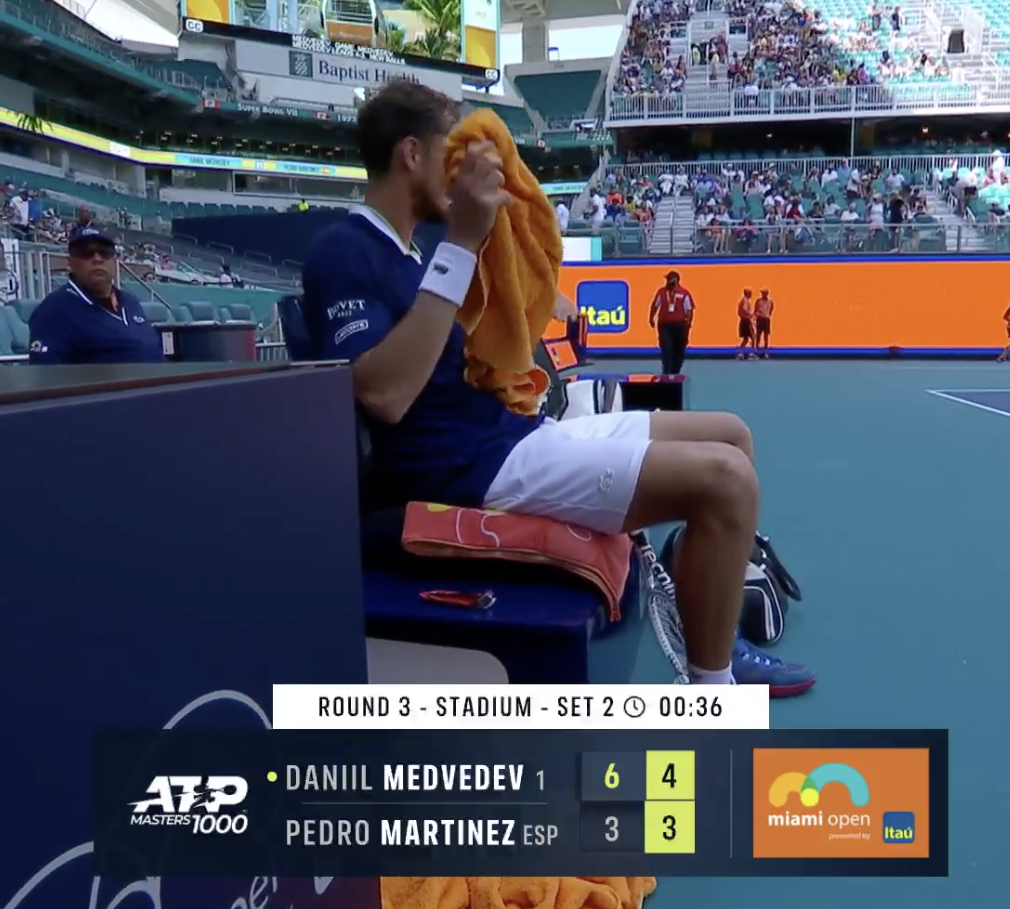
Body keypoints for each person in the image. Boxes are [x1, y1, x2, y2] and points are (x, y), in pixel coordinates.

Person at [301, 80, 809, 690]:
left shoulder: (414, 254)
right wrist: (461, 244)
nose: (464, 169)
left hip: (510, 437)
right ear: (412, 154)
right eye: (451, 151)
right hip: (471, 469)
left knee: (731, 435)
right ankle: (711, 689)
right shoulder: (344, 250)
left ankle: (712, 625)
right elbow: (384, 395)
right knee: (728, 483)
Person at [28, 225, 164, 364]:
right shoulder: (54, 310)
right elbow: (46, 373)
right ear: (71, 263)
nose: (97, 259)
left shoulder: (130, 302)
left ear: (114, 261)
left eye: (105, 252)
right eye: (86, 253)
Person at [648, 270, 694, 375]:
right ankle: (666, 371)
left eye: (669, 279)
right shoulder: (662, 292)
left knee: (680, 349)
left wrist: (688, 324)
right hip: (665, 325)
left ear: (675, 280)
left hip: (680, 325)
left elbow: (689, 310)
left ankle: (675, 371)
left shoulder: (684, 293)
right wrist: (651, 318)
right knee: (667, 348)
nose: (667, 281)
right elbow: (654, 305)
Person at [735, 288, 755, 360]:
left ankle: (740, 352)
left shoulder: (742, 300)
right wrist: (750, 313)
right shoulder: (745, 301)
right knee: (753, 337)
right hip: (746, 321)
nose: (751, 295)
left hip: (743, 320)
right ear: (748, 293)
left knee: (746, 339)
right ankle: (752, 353)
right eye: (750, 293)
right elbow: (745, 309)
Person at [754, 287, 774, 359]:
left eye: (764, 293)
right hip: (760, 319)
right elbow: (755, 310)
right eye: (762, 293)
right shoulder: (758, 301)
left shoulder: (770, 301)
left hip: (766, 319)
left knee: (766, 336)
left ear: (767, 293)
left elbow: (771, 309)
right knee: (758, 335)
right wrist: (758, 316)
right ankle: (756, 350)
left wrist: (767, 315)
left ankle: (766, 352)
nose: (762, 294)